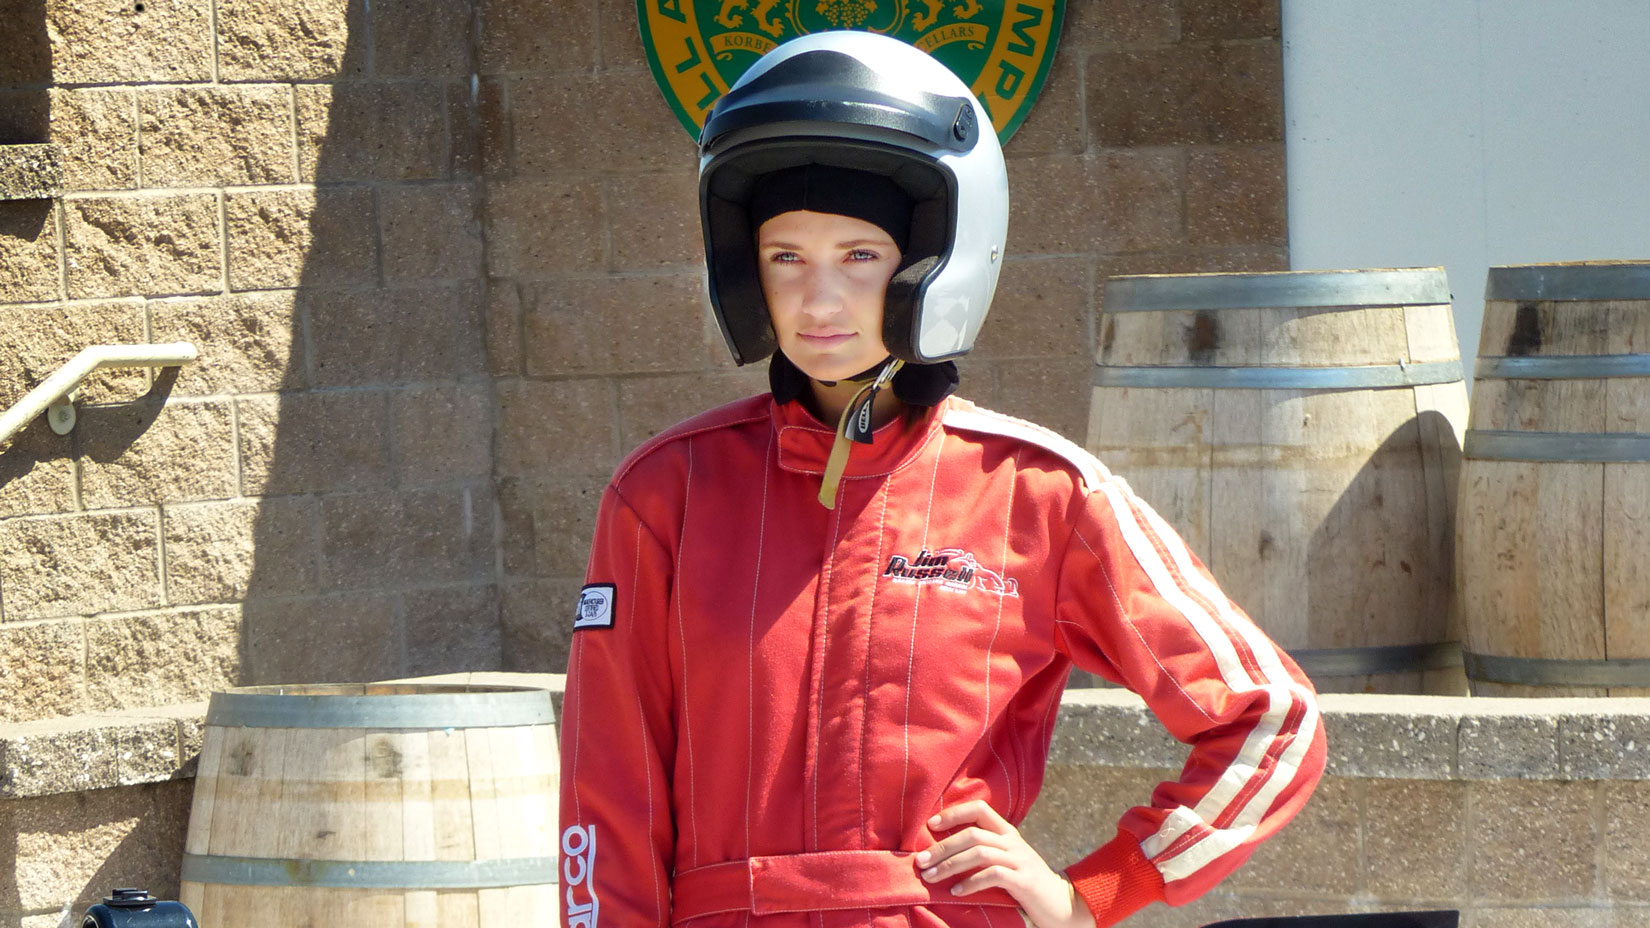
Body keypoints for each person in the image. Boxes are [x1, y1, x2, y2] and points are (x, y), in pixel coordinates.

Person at [558, 31, 1326, 928]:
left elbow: (1274, 722)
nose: (817, 299)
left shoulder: (1039, 492)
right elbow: (608, 791)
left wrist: (1093, 895)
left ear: (930, 262)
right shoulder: (666, 493)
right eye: (785, 257)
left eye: (859, 256)